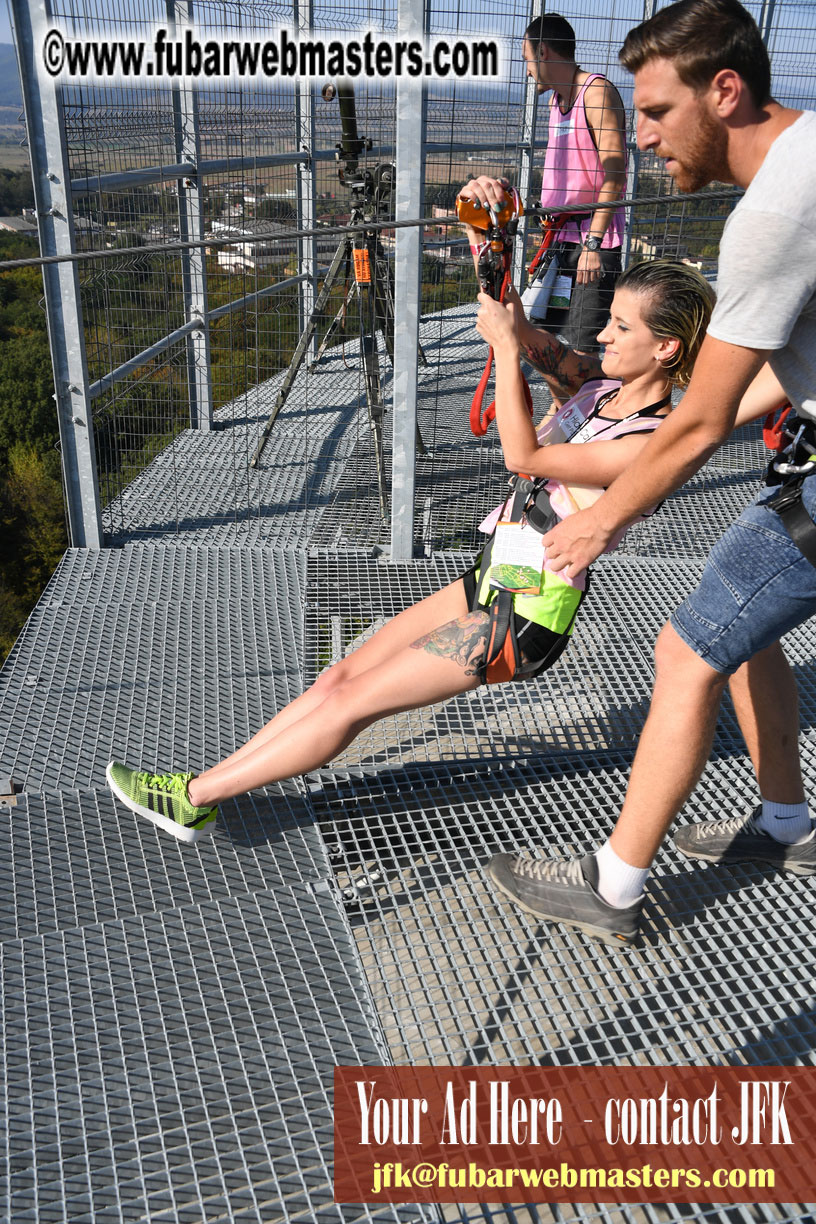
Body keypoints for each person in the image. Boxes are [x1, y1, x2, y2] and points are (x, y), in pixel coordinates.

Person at [105, 260, 715, 845]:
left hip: (524, 616)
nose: (604, 333)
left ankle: (196, 796)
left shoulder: (649, 442)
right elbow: (527, 334)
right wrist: (490, 249)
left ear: (665, 348)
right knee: (340, 675)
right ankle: (201, 785)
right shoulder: (598, 387)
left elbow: (524, 456)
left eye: (623, 326)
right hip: (490, 580)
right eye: (608, 318)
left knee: (353, 703)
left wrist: (504, 351)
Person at [487, 0, 815, 947]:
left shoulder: (773, 215)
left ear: (726, 90)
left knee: (687, 647)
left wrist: (596, 520)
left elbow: (703, 418)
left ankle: (615, 886)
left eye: (661, 112)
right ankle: (789, 823)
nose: (644, 139)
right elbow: (751, 387)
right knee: (746, 628)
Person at [460, 13, 628, 364]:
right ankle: (562, 408)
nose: (526, 71)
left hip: (590, 243)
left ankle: (578, 411)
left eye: (526, 60)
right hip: (561, 239)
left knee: (582, 348)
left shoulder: (596, 93)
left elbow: (616, 173)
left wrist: (593, 245)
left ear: (544, 52)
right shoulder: (556, 102)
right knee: (545, 340)